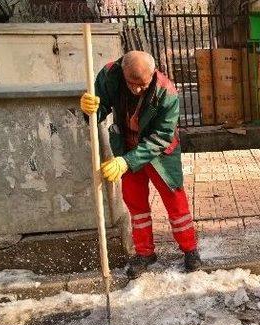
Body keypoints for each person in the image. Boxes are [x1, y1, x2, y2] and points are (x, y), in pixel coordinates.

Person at [80, 51, 202, 278]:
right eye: (132, 84)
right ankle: (145, 253)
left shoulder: (167, 92)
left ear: (153, 74)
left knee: (174, 200)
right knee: (135, 203)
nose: (137, 90)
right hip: (126, 144)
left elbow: (162, 137)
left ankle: (190, 249)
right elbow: (99, 107)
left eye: (142, 85)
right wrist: (89, 111)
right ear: (123, 72)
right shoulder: (109, 76)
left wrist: (127, 162)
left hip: (161, 152)